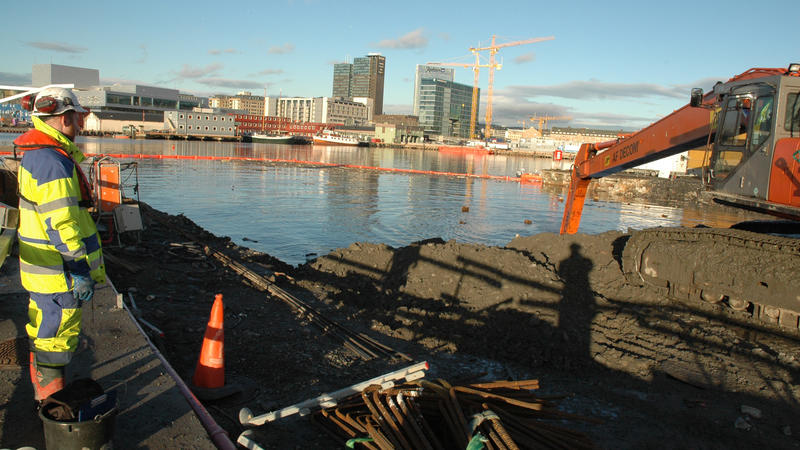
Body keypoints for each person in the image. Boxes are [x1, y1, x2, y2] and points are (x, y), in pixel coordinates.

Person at [12, 87, 106, 403]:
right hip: (58, 273)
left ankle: (47, 396)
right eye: (78, 118)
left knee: (45, 331)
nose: (80, 126)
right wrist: (79, 268)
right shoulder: (52, 162)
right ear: (65, 118)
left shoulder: (39, 155)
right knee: (55, 338)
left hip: (46, 269)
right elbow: (61, 224)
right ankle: (51, 405)